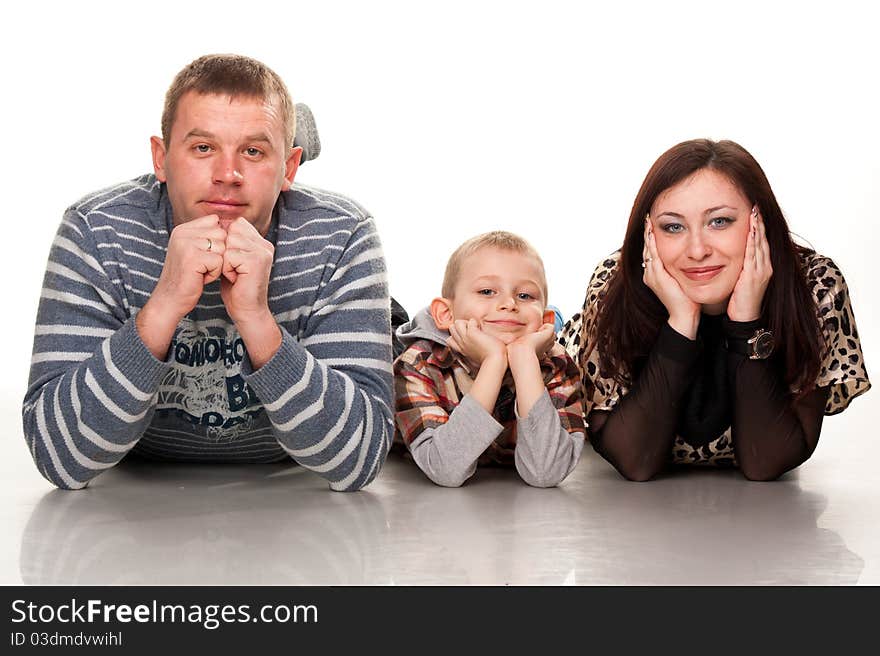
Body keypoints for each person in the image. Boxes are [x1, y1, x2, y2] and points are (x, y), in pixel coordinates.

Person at [23, 54, 393, 491]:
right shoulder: (95, 229)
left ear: (289, 168)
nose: (227, 175)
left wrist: (257, 320)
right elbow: (58, 457)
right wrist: (163, 306)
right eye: (203, 148)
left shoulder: (342, 234)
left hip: (280, 502)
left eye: (253, 152)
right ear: (160, 159)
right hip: (140, 493)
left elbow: (359, 461)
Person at [560, 139, 870, 481]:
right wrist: (681, 321)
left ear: (759, 220)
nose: (696, 250)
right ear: (649, 232)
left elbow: (766, 463)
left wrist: (746, 324)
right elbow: (636, 462)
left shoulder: (814, 287)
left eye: (720, 222)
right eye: (673, 226)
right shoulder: (615, 283)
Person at [394, 231, 585, 487]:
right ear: (446, 313)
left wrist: (525, 360)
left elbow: (546, 472)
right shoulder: (418, 364)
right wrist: (493, 362)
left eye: (525, 295)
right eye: (486, 291)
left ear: (545, 322)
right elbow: (445, 468)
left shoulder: (556, 365)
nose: (508, 303)